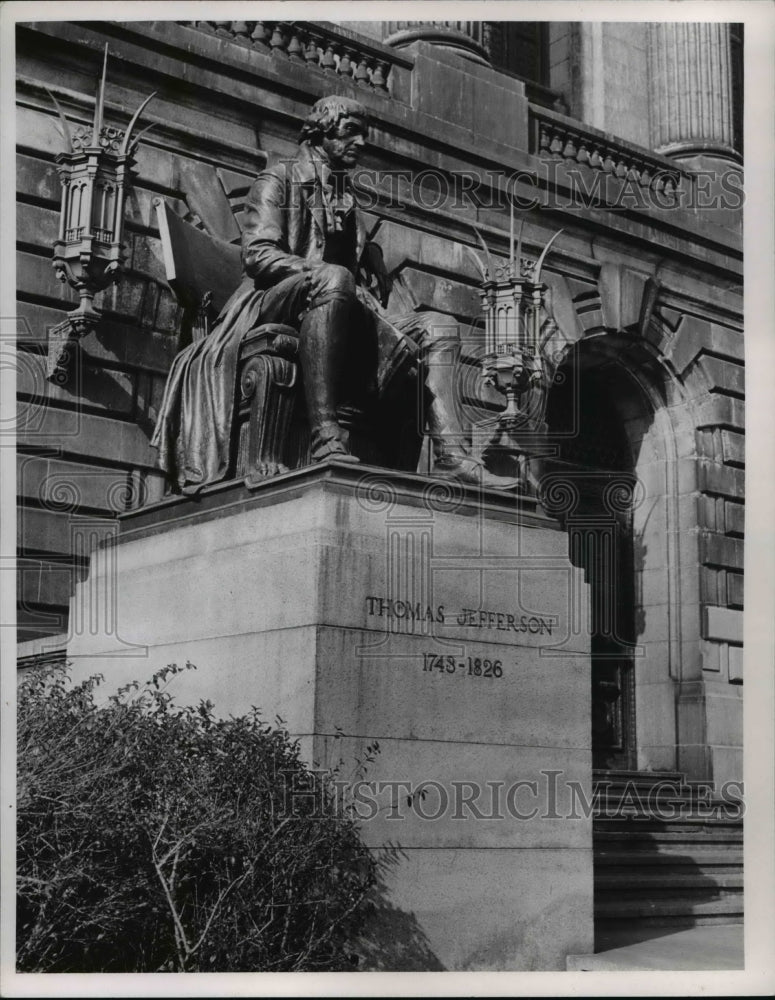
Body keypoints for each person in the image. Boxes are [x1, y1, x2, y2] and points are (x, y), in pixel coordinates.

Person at [152, 95, 517, 493]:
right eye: (349, 132)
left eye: (363, 134)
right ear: (320, 133)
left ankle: (452, 457)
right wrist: (323, 271)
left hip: (339, 303)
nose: (360, 143)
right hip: (274, 300)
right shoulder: (279, 179)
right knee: (335, 280)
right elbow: (258, 255)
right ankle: (325, 435)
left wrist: (364, 266)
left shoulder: (345, 196)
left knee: (438, 326)